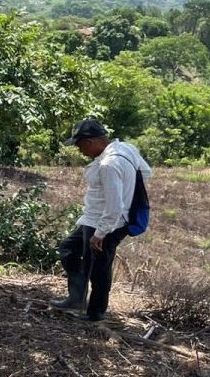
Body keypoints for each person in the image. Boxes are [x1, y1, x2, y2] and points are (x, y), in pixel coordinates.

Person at [52, 119, 152, 321]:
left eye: (80, 145)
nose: (79, 150)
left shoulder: (109, 164)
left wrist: (100, 234)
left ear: (90, 141)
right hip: (94, 218)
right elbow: (147, 172)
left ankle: (95, 313)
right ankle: (77, 297)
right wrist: (127, 186)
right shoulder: (126, 148)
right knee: (68, 249)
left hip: (106, 222)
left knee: (98, 268)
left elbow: (114, 206)